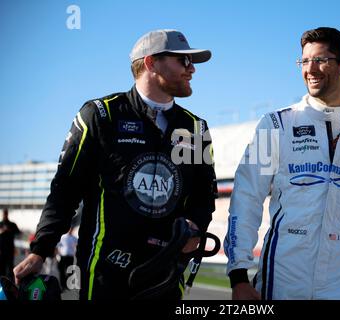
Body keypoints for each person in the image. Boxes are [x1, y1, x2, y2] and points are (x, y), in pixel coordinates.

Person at [14, 29, 217, 300]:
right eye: (183, 60)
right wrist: (41, 249)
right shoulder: (100, 115)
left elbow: (204, 195)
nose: (192, 69)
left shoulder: (195, 128)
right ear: (151, 62)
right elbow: (65, 189)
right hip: (106, 273)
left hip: (166, 273)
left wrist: (195, 226)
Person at [224, 27, 340, 300]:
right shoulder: (274, 124)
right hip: (282, 279)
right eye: (304, 61)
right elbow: (246, 198)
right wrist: (238, 274)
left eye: (320, 60)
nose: (310, 69)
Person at [0, 208, 21, 280]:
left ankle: (10, 283)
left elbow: (19, 232)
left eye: (6, 213)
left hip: (10, 249)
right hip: (1, 249)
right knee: (1, 267)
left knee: (10, 267)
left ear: (7, 214)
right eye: (4, 213)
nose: (5, 215)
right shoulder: (0, 224)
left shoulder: (12, 224)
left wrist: (9, 230)